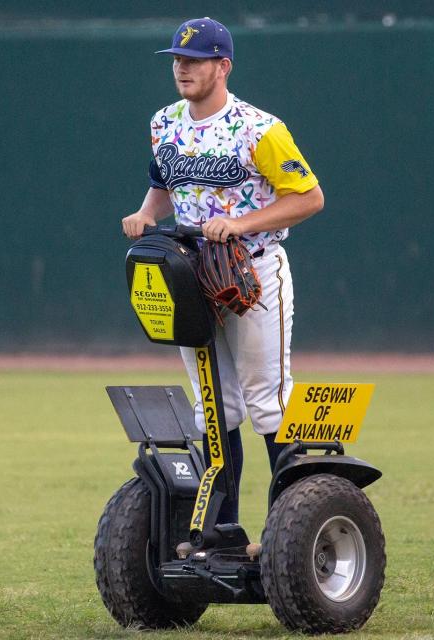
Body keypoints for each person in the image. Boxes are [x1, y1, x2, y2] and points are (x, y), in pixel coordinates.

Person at [122, 17, 324, 526]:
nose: (182, 68)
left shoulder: (261, 129)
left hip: (252, 275)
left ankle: (290, 528)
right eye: (176, 60)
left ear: (223, 66)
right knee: (214, 409)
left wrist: (241, 223)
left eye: (194, 60)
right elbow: (165, 181)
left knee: (268, 401)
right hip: (192, 279)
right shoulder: (164, 122)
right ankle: (223, 528)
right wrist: (149, 212)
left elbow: (309, 197)